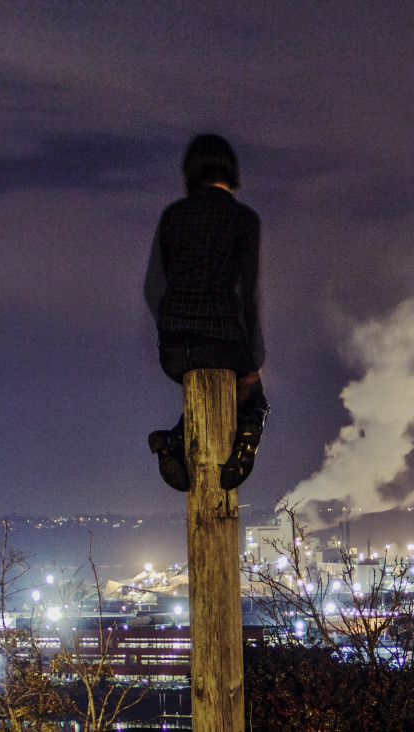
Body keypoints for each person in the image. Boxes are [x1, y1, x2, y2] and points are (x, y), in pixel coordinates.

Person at [144, 134, 269, 491]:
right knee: (253, 395)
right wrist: (254, 359)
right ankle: (246, 441)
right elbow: (249, 295)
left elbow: (153, 287)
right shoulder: (244, 219)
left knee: (215, 391)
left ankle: (174, 441)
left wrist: (170, 331)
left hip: (173, 351)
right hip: (222, 342)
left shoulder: (173, 217)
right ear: (231, 171)